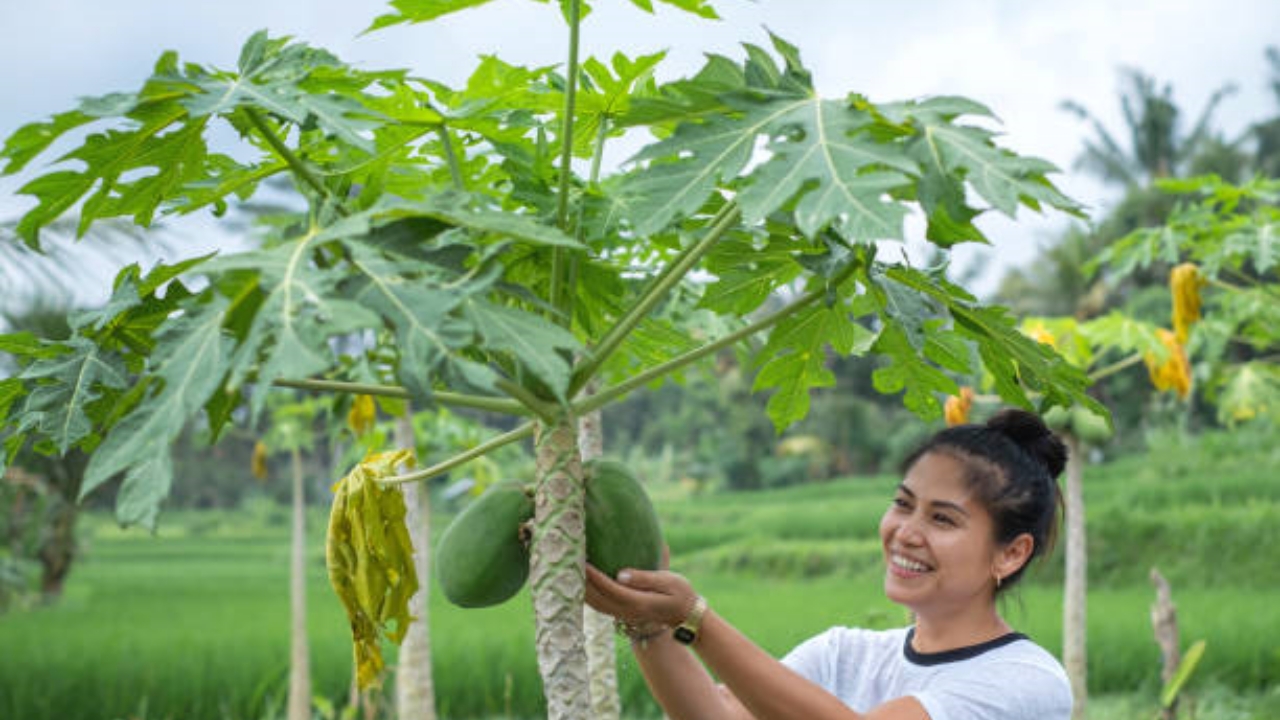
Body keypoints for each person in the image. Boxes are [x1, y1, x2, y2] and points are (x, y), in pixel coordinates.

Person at [585, 408, 1074, 720]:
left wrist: (697, 619)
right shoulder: (844, 654)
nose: (905, 532)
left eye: (943, 519)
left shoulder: (1027, 682)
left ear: (1011, 553)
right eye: (903, 504)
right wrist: (648, 625)